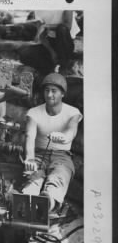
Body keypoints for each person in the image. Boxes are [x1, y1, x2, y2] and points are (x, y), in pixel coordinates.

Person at [22, 73, 83, 212]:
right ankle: (27, 201)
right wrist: (29, 158)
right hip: (39, 155)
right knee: (33, 181)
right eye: (46, 90)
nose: (49, 95)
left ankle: (48, 201)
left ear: (62, 93)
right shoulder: (34, 112)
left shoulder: (72, 112)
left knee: (58, 178)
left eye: (54, 91)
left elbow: (71, 132)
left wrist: (63, 137)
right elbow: (29, 136)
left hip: (62, 156)